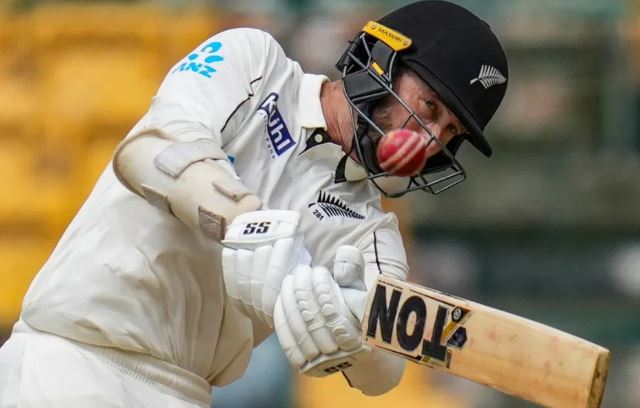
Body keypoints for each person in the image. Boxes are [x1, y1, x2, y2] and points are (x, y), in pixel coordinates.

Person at [0, 1, 508, 406]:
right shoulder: (257, 64)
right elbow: (152, 152)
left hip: (184, 393)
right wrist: (250, 227)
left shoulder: (369, 232)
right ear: (383, 58)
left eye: (449, 131)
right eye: (429, 107)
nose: (430, 140)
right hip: (65, 363)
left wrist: (345, 333)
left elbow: (386, 369)